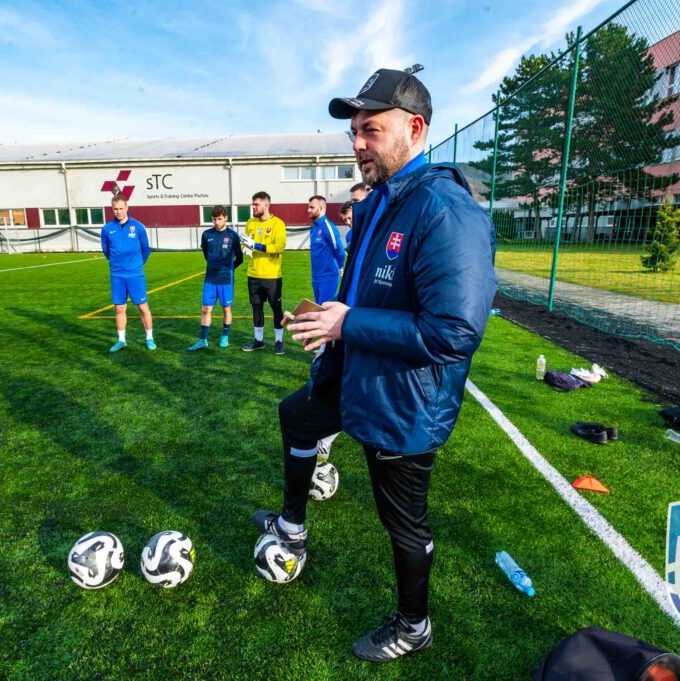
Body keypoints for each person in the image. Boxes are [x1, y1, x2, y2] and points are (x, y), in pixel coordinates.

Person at [253, 68, 497, 662]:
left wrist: (347, 323)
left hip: (405, 401)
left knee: (402, 522)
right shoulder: (380, 203)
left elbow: (455, 333)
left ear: (414, 129)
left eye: (371, 129)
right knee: (298, 416)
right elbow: (364, 291)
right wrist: (329, 318)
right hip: (356, 373)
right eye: (355, 131)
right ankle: (292, 526)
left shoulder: (445, 211)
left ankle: (414, 625)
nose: (357, 143)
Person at [101, 195, 156, 351]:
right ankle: (121, 340)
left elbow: (146, 249)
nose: (118, 212)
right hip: (117, 275)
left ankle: (149, 338)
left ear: (127, 208)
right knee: (119, 308)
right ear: (112, 209)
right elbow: (106, 251)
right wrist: (117, 264)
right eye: (115, 209)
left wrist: (137, 265)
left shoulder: (138, 227)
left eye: (121, 208)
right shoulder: (107, 229)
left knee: (143, 307)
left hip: (135, 275)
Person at [188, 205, 244, 350]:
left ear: (225, 218)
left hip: (226, 278)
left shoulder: (232, 236)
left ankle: (224, 336)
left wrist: (229, 269)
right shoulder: (207, 235)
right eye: (214, 219)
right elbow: (206, 255)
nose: (217, 222)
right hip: (210, 278)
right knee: (206, 308)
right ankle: (202, 340)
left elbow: (240, 258)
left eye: (219, 219)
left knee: (226, 309)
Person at [238, 191, 286, 354]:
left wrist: (257, 246)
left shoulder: (277, 224)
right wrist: (247, 249)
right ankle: (258, 340)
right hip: (253, 274)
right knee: (256, 308)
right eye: (253, 204)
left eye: (256, 204)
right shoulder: (250, 223)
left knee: (276, 307)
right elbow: (245, 245)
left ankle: (279, 341)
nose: (253, 207)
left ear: (266, 205)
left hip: (272, 276)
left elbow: (279, 247)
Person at [307, 195, 345, 306]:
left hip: (328, 277)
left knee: (324, 309)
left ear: (321, 208)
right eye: (308, 207)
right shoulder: (314, 228)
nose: (308, 210)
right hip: (316, 276)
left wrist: (339, 267)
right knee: (318, 308)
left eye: (312, 207)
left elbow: (339, 250)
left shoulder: (328, 227)